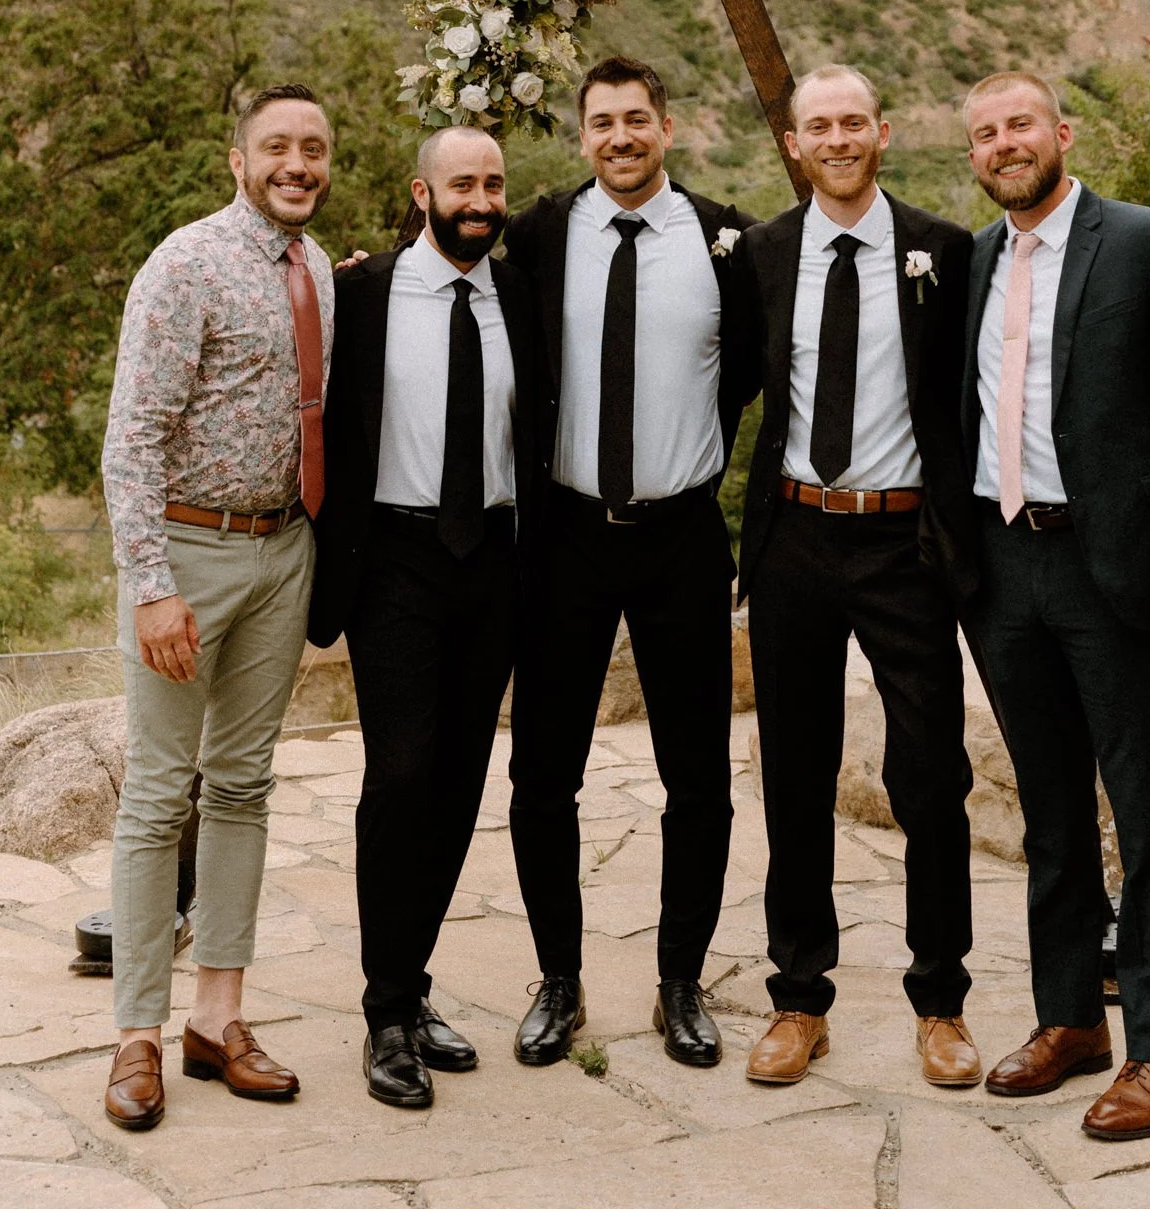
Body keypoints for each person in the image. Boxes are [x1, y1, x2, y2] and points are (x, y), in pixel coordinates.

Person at [962, 71, 1150, 1140]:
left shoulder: (1142, 242)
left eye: (1019, 124)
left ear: (1060, 133)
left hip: (1115, 568)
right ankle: (1070, 1018)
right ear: (973, 155)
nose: (1004, 144)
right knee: (1049, 809)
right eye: (984, 134)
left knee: (1147, 808)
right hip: (1002, 567)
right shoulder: (974, 259)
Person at [503, 56, 759, 1068]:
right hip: (564, 536)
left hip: (680, 536)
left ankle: (679, 982)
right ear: (582, 136)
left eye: (636, 119)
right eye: (602, 121)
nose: (620, 136)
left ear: (667, 127)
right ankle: (557, 980)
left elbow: (748, 370)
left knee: (697, 778)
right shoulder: (539, 234)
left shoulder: (723, 239)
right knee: (541, 774)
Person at [737, 66, 980, 1091]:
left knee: (930, 775)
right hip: (794, 535)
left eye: (852, 122)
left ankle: (940, 1001)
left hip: (902, 545)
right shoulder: (760, 252)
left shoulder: (944, 251)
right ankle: (798, 998)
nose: (835, 139)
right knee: (794, 773)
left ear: (882, 132)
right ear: (793, 144)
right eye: (817, 126)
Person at [100, 85, 334, 1131]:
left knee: (242, 785)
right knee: (159, 796)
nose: (297, 163)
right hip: (187, 553)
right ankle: (136, 1035)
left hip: (284, 549)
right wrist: (151, 585)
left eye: (313, 148)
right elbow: (131, 437)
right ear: (236, 161)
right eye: (276, 146)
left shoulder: (316, 270)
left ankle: (217, 1019)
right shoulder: (184, 263)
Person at [308, 126, 539, 1110]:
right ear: (422, 192)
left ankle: (411, 986)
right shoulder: (359, 295)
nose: (480, 200)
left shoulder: (520, 295)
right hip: (394, 559)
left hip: (493, 558)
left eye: (493, 183)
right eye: (461, 184)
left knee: (456, 784)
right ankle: (385, 1013)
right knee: (400, 774)